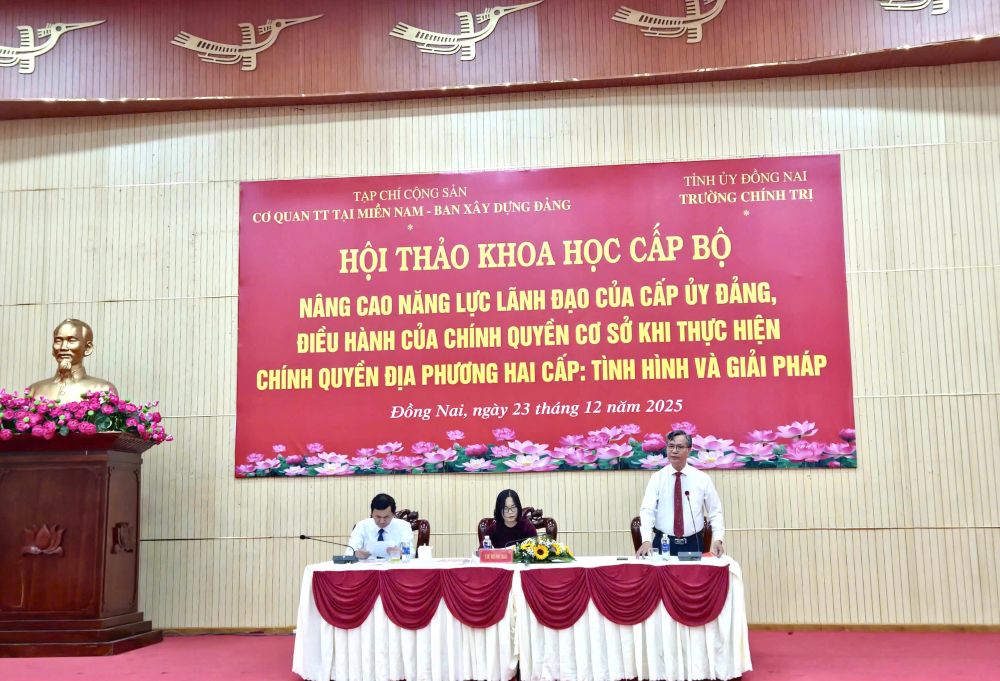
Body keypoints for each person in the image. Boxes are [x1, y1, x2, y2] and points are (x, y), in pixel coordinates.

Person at [636, 430, 726, 558]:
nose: (674, 451)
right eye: (671, 446)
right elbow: (647, 510)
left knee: (693, 572)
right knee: (662, 572)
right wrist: (646, 540)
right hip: (663, 541)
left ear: (689, 450)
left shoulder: (702, 478)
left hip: (693, 543)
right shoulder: (657, 478)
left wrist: (718, 539)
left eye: (679, 447)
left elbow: (715, 511)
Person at [28, 319, 118, 403]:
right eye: (58, 341)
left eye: (71, 340)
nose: (63, 347)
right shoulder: (34, 390)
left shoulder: (103, 390)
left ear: (87, 348)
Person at [347, 493, 413, 559]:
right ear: (371, 513)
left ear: (393, 514)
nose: (382, 521)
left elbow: (411, 553)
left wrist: (401, 554)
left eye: (386, 517)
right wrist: (356, 553)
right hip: (367, 564)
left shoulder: (404, 526)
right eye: (378, 517)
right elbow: (349, 552)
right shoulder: (361, 526)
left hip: (393, 564)